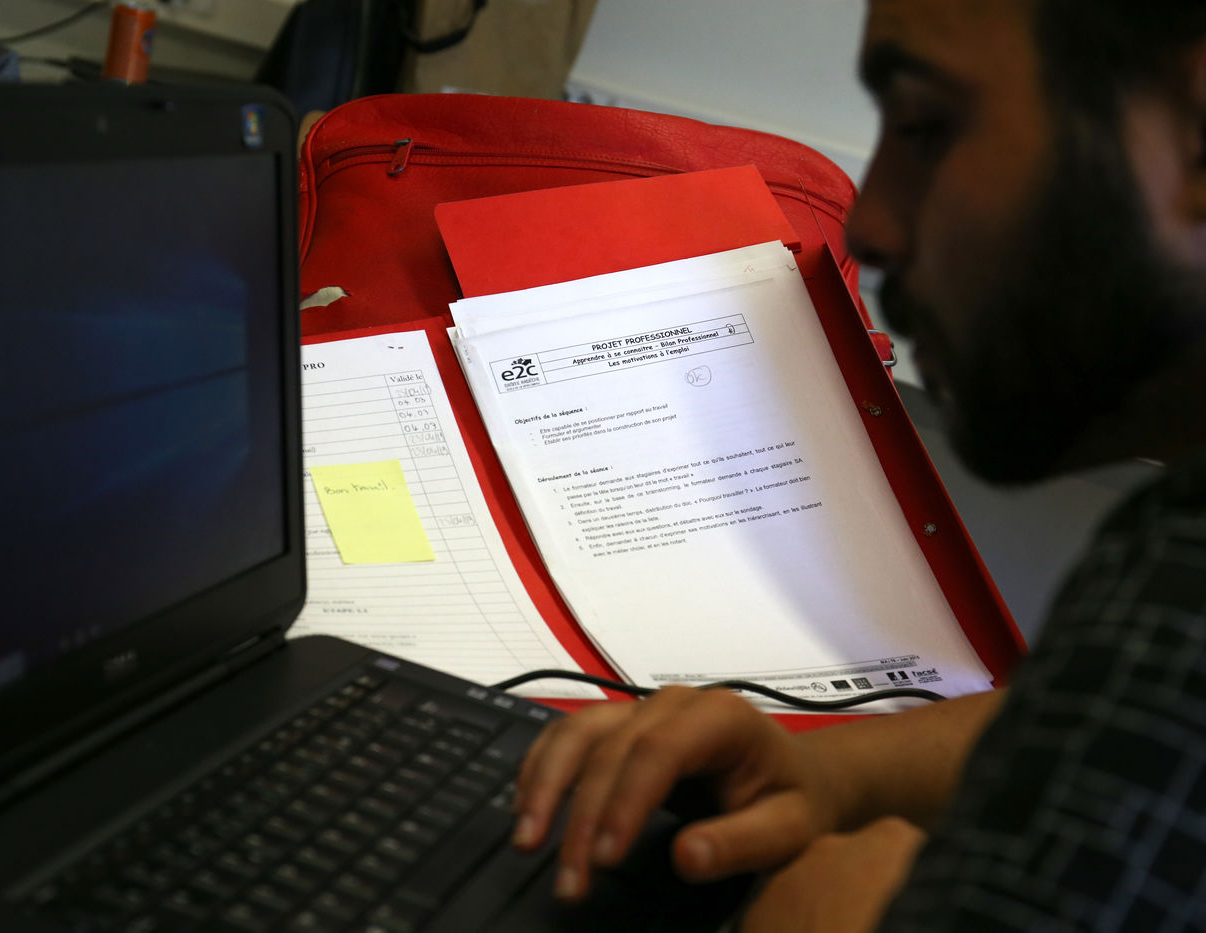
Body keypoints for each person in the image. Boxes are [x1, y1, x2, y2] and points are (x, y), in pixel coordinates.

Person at [511, 0, 1206, 930]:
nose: (865, 225)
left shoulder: (1181, 570)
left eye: (926, 127)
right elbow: (1101, 729)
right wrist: (833, 770)